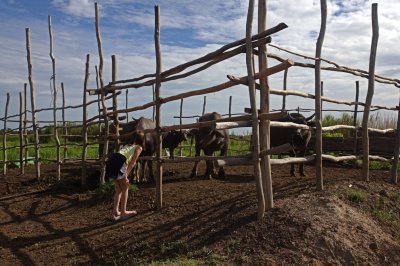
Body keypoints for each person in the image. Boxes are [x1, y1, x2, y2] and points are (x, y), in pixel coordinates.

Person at [105, 129, 145, 220]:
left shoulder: (127, 145)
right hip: (120, 161)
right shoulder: (138, 147)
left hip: (112, 160)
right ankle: (123, 212)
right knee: (125, 187)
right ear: (142, 139)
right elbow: (132, 163)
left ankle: (115, 211)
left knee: (119, 189)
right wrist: (126, 176)